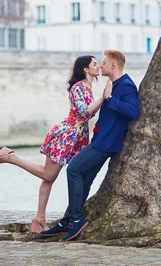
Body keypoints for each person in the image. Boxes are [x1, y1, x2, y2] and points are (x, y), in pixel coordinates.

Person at [0, 55, 106, 233]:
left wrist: (101, 100)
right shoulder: (78, 88)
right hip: (66, 136)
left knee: (49, 178)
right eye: (95, 64)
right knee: (48, 175)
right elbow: (83, 113)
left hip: (77, 138)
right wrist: (103, 99)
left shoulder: (87, 88)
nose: (98, 66)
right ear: (85, 69)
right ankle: (10, 157)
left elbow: (88, 115)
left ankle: (40, 219)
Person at [39, 49, 139, 241]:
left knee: (74, 169)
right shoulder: (113, 84)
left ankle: (76, 218)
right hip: (100, 139)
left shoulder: (126, 85)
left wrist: (109, 98)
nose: (100, 66)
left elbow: (133, 112)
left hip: (107, 143)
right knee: (84, 179)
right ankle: (67, 220)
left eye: (103, 62)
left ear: (113, 65)